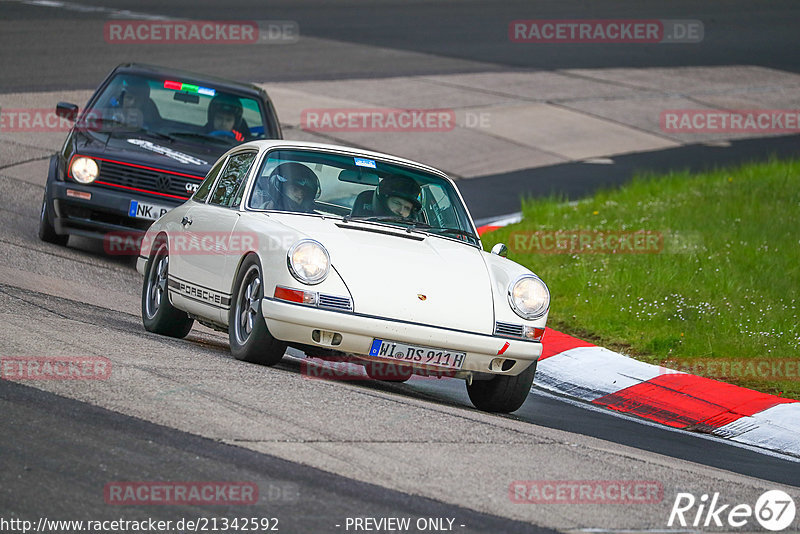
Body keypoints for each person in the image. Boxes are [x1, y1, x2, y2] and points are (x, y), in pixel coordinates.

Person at [253, 162, 320, 213]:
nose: (300, 195)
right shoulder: (256, 214)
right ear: (281, 188)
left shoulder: (309, 219)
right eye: (295, 189)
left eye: (303, 191)